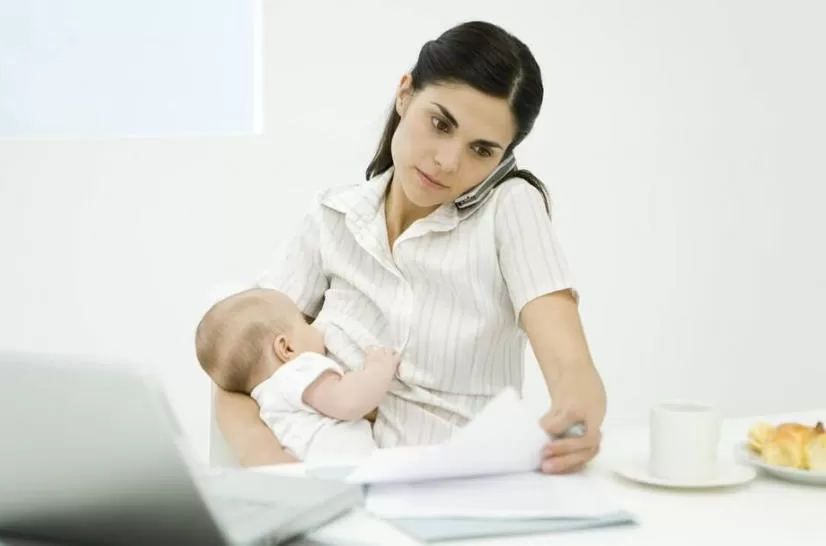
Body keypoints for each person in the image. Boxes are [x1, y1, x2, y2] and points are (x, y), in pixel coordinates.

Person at [210, 20, 607, 474]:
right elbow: (235, 369)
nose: (447, 161)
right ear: (405, 94)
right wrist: (268, 463)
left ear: (504, 158)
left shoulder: (511, 208)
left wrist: (577, 418)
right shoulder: (334, 218)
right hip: (327, 487)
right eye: (440, 124)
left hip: (452, 490)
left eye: (481, 150)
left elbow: (572, 368)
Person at [195, 287, 401, 462]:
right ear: (286, 348)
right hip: (345, 473)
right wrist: (377, 370)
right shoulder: (298, 371)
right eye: (304, 322)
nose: (316, 328)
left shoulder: (265, 397)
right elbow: (349, 402)